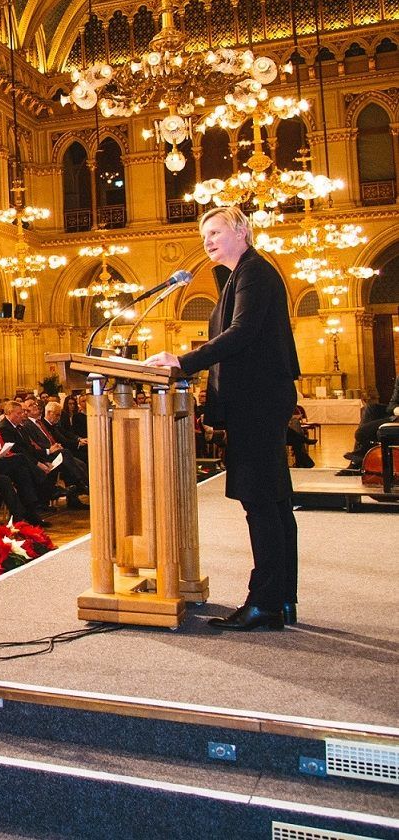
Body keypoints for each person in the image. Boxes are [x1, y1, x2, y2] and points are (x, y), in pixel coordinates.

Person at [146, 205, 301, 632]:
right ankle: (280, 597)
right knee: (272, 502)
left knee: (262, 503)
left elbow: (242, 334)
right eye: (204, 235)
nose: (208, 241)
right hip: (259, 398)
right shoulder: (240, 274)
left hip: (258, 400)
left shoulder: (253, 271)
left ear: (242, 231)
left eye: (215, 231)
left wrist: (182, 359)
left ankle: (266, 602)